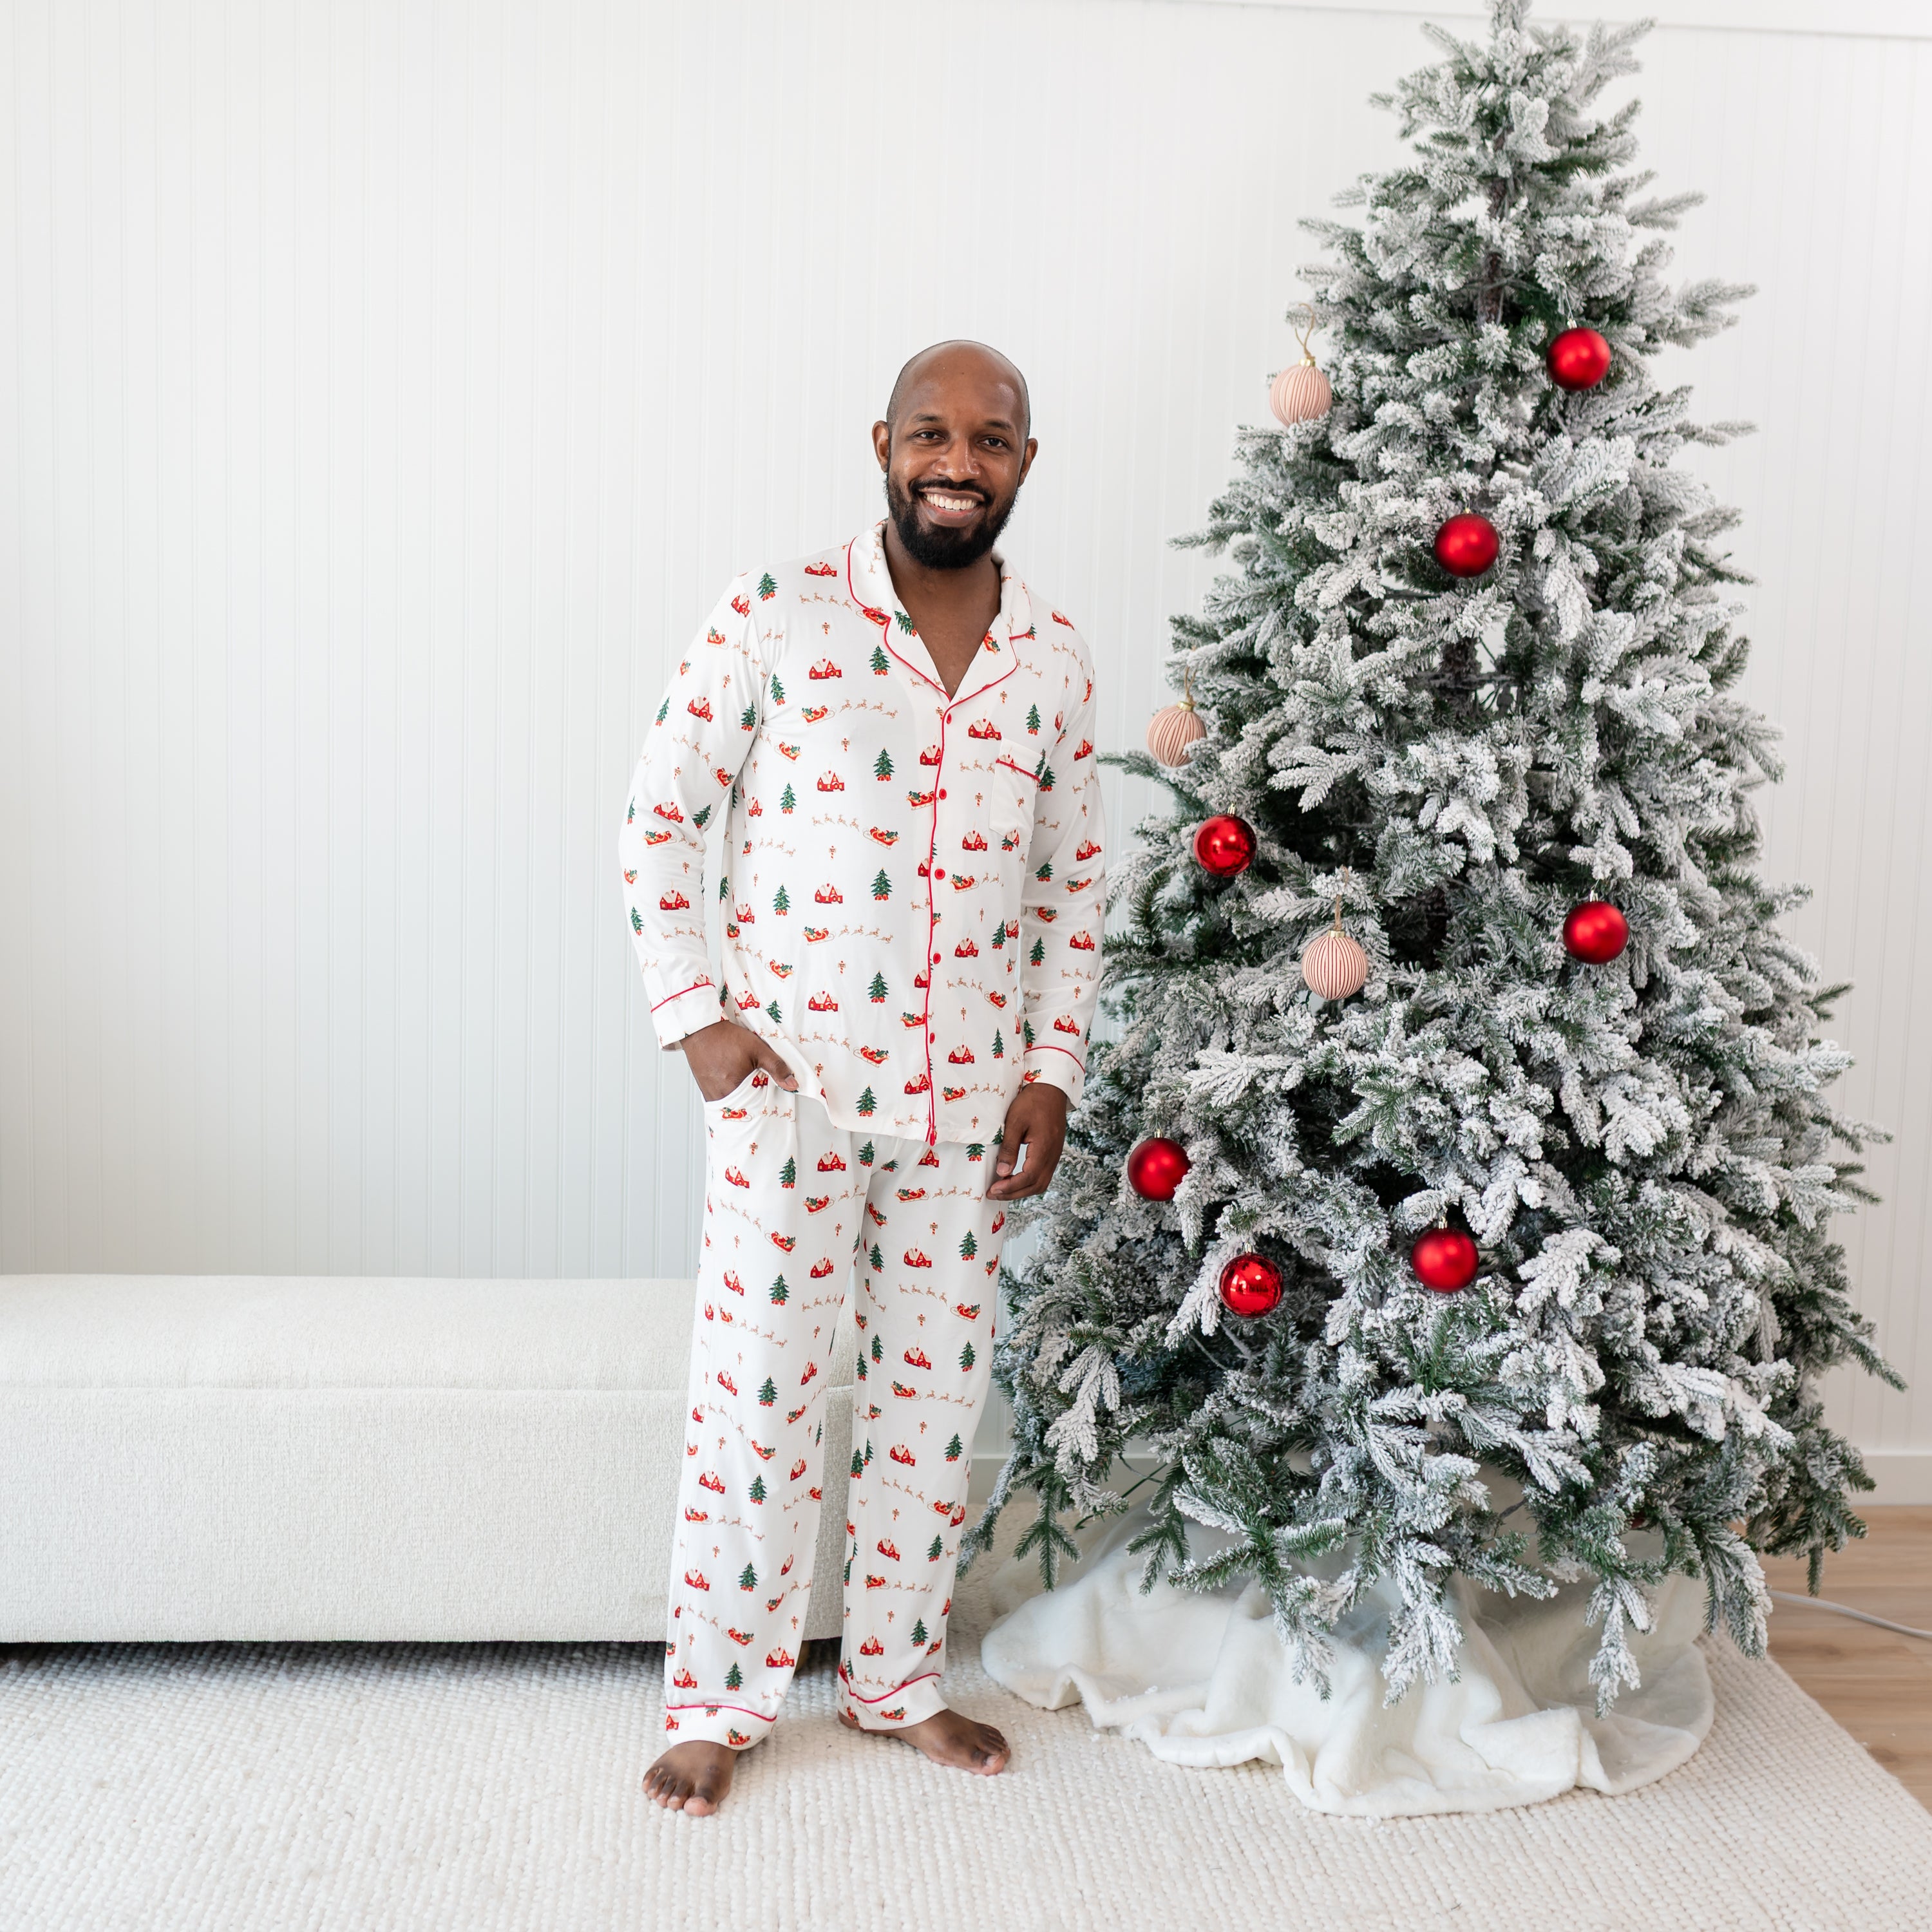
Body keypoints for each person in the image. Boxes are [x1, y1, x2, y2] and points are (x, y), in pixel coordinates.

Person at [618, 341, 1104, 1814]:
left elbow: (1071, 887)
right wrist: (697, 1014)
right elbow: (660, 812)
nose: (960, 460)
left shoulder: (1058, 659)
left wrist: (1053, 1071)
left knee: (933, 1397)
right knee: (760, 1394)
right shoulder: (778, 612)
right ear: (883, 443)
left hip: (970, 1107)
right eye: (934, 433)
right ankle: (718, 1698)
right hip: (795, 1090)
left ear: (1025, 460)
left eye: (993, 439)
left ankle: (895, 1684)